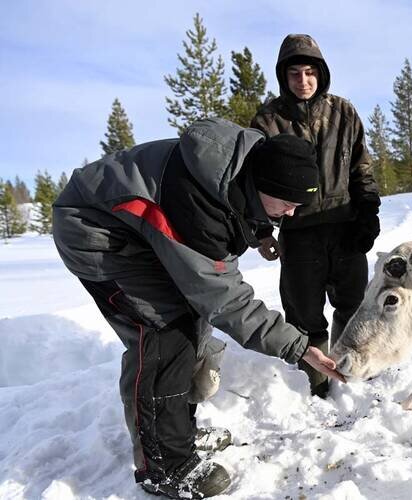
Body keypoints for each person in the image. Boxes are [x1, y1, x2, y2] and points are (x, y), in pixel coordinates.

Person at [52, 118, 345, 499]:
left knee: (187, 321)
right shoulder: (195, 209)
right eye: (287, 204)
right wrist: (298, 347)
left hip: (132, 225)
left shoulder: (247, 163)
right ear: (262, 186)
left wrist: (258, 232)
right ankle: (164, 466)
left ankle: (176, 434)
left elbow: (236, 210)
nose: (290, 214)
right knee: (165, 331)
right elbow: (224, 299)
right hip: (94, 230)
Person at [251, 34, 380, 398]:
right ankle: (317, 384)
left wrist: (368, 212)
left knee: (353, 305)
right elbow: (254, 181)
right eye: (295, 73)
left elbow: (361, 169)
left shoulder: (344, 112)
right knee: (305, 314)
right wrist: (262, 231)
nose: (303, 81)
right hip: (299, 232)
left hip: (345, 227)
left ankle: (352, 373)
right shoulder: (267, 121)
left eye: (310, 72)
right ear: (283, 77)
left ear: (321, 74)